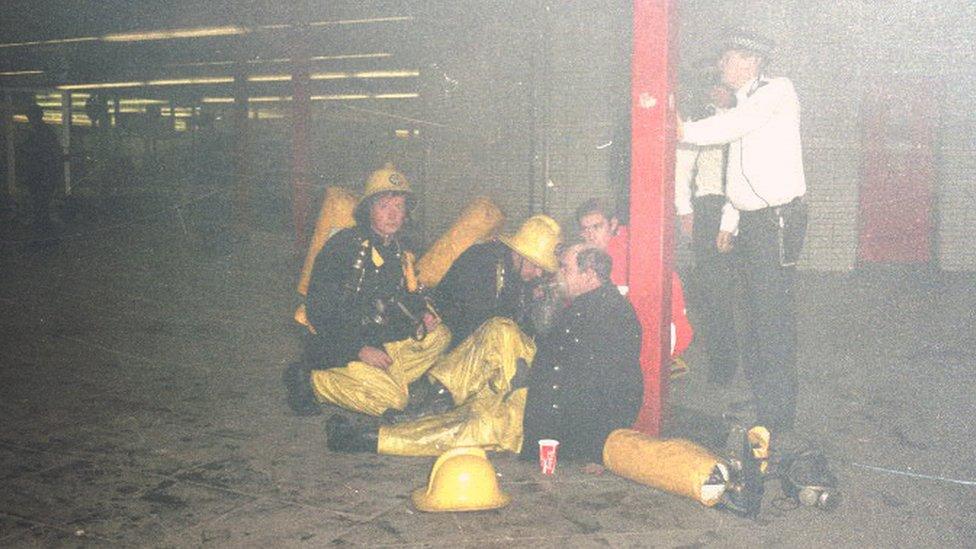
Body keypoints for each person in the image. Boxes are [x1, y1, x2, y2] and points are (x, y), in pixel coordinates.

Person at [327, 244, 643, 468]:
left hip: (543, 420)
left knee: (471, 424)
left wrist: (590, 451)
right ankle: (428, 403)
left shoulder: (611, 315)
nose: (558, 274)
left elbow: (616, 389)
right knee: (499, 329)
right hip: (537, 388)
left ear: (589, 274)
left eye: (565, 268)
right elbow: (553, 352)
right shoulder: (587, 303)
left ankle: (369, 438)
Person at [679, 30, 808, 441]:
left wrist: (681, 128)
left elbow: (735, 129)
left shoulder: (776, 91)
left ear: (751, 62)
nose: (722, 66)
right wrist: (730, 222)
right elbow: (743, 169)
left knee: (771, 320)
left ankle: (778, 418)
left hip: (777, 221)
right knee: (755, 317)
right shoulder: (746, 101)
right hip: (754, 222)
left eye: (728, 58)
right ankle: (767, 404)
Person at [283, 164, 449, 417]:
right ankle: (311, 381)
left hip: (377, 340)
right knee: (394, 401)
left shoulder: (396, 250)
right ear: (368, 209)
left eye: (399, 207)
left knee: (440, 336)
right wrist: (358, 349)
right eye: (384, 206)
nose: (393, 215)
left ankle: (383, 380)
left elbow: (401, 297)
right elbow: (320, 311)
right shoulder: (343, 248)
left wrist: (422, 314)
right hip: (339, 348)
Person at [674, 81, 741, 384]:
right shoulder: (702, 121)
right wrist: (685, 209)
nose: (718, 91)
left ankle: (742, 358)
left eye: (723, 86)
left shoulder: (746, 117)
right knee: (715, 291)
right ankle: (722, 364)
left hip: (746, 207)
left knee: (741, 289)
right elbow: (682, 168)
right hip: (711, 207)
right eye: (713, 85)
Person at [575, 198, 692, 360]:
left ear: (613, 224)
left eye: (597, 227)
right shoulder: (590, 259)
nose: (590, 236)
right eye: (585, 229)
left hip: (652, 346)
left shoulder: (634, 251)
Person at [18, 104, 62, 240]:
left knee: (40, 205)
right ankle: (44, 235)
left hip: (41, 175)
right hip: (41, 175)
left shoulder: (40, 133)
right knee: (41, 206)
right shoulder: (43, 132)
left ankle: (43, 235)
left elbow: (40, 154)